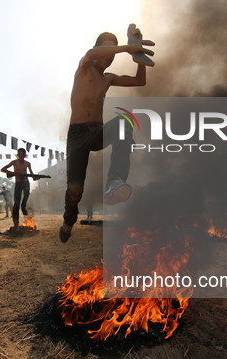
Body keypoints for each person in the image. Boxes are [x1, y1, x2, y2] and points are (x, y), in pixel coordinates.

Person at [59, 28, 151, 243]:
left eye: (112, 54)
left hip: (97, 132)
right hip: (77, 134)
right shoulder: (84, 66)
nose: (109, 57)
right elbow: (93, 54)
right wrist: (127, 47)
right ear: (98, 49)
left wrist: (138, 56)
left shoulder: (108, 78)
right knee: (75, 188)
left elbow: (140, 81)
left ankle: (115, 181)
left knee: (123, 121)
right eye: (107, 50)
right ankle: (68, 221)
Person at [0, 148, 39, 226]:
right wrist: (15, 173)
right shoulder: (14, 162)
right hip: (18, 183)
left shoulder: (27, 163)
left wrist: (35, 177)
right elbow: (3, 169)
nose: (21, 156)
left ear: (25, 155)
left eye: (22, 154)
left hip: (25, 182)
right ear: (18, 155)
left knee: (26, 194)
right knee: (16, 202)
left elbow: (31, 174)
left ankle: (23, 206)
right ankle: (15, 220)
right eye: (19, 154)